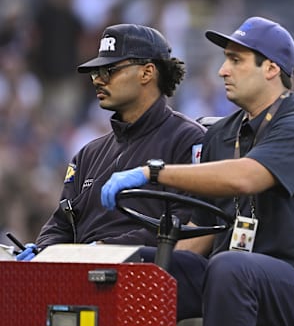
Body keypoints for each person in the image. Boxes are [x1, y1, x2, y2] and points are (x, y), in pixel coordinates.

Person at [100, 16, 294, 326]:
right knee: (133, 266)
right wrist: (146, 261)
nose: (222, 70)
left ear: (271, 68)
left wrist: (154, 172)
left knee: (230, 268)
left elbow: (246, 178)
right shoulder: (220, 133)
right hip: (230, 274)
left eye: (235, 60)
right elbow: (200, 233)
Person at [15, 24, 205, 261]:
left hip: (144, 280)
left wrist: (105, 248)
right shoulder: (88, 154)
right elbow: (62, 225)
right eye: (96, 73)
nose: (97, 81)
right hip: (79, 277)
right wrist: (44, 250)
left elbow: (185, 225)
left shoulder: (189, 139)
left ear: (147, 72)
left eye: (109, 71)